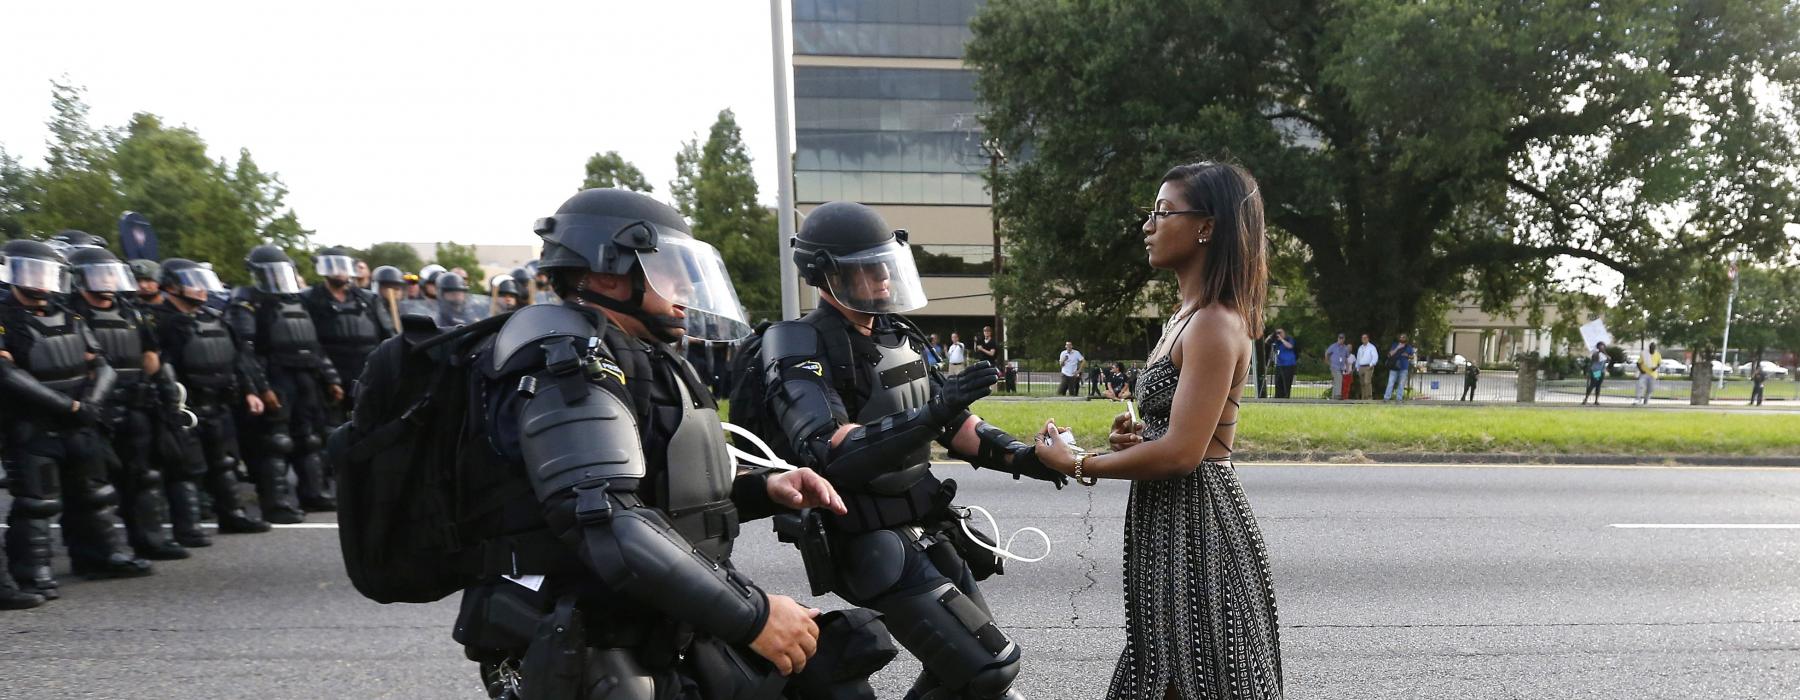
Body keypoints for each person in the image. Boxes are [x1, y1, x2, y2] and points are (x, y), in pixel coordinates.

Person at [457, 188, 891, 699]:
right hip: (587, 630)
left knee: (835, 677)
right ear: (605, 273)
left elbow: (665, 492)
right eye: (667, 266)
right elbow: (609, 521)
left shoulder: (642, 353)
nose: (686, 283)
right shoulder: (563, 361)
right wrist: (755, 615)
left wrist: (765, 488)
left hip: (657, 613)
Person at [763, 200, 1069, 700]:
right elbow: (829, 449)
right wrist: (931, 413)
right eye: (868, 265)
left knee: (968, 669)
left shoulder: (894, 333)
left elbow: (955, 422)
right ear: (827, 274)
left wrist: (1026, 458)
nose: (884, 275)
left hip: (921, 521)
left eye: (886, 261)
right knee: (985, 667)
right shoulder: (797, 342)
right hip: (862, 534)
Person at [1033, 161, 1281, 698]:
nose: (1147, 224)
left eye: (1163, 212)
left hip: (1199, 525)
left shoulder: (1215, 321)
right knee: (1169, 669)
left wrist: (1078, 464)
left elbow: (1183, 455)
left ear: (1207, 227)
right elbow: (1172, 437)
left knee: (1197, 674)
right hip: (1169, 520)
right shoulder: (1184, 316)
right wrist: (1140, 438)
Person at [2, 239, 156, 604]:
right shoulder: (5, 319)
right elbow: (6, 373)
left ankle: (101, 556)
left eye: (45, 272)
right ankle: (32, 573)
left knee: (94, 493)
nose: (39, 281)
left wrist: (90, 404)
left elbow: (101, 364)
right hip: (32, 425)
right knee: (38, 501)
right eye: (31, 272)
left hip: (80, 419)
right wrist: (67, 407)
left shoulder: (70, 315)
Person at [65, 245, 193, 560]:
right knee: (92, 486)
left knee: (142, 476)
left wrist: (166, 397)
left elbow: (150, 356)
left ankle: (149, 540)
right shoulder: (69, 313)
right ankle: (95, 554)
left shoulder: (131, 311)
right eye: (99, 274)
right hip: (93, 410)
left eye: (110, 273)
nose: (107, 281)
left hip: (135, 405)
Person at [148, 259, 273, 537]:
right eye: (192, 282)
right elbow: (156, 364)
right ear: (171, 286)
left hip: (219, 402)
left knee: (224, 462)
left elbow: (239, 358)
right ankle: (189, 528)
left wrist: (251, 390)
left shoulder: (214, 317)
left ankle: (233, 515)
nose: (201, 289)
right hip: (184, 407)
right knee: (185, 469)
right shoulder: (159, 321)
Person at [227, 245, 344, 518]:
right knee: (275, 441)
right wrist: (261, 387)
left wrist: (331, 378)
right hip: (275, 375)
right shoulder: (247, 302)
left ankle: (314, 493)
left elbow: (314, 345)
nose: (277, 277)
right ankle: (276, 503)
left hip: (305, 376)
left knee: (310, 438)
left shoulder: (298, 301)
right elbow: (245, 351)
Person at [301, 246, 392, 418]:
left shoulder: (369, 299)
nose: (339, 272)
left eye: (342, 266)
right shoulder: (309, 298)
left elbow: (388, 335)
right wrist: (329, 377)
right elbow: (308, 341)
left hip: (367, 372)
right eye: (333, 266)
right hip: (329, 374)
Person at [369, 265, 408, 336]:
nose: (394, 292)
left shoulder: (407, 309)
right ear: (378, 288)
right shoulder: (369, 310)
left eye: (397, 288)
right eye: (388, 287)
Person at [1384, 333, 1415, 402]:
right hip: (1393, 367)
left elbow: (1412, 357)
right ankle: (1386, 398)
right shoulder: (1395, 345)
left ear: (1406, 338)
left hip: (1404, 368)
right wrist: (1397, 348)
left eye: (1403, 337)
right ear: (1399, 338)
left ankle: (1399, 398)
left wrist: (1407, 355)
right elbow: (1390, 355)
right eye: (1401, 337)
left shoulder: (1408, 347)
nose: (1402, 338)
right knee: (1390, 382)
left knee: (1401, 384)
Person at [1271, 328, 1297, 399]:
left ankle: (1286, 398)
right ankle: (1278, 397)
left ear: (1284, 333)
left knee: (1286, 382)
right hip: (1279, 364)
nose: (1278, 334)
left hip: (1288, 365)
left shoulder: (1289, 339)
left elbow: (1290, 346)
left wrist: (1282, 339)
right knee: (1278, 382)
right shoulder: (1276, 342)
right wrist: (1271, 336)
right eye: (1277, 333)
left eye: (1280, 332)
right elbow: (1267, 342)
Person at [1324, 333, 1351, 400]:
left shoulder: (1345, 348)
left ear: (1344, 339)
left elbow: (1346, 359)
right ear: (1338, 338)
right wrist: (1328, 362)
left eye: (1342, 338)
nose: (1341, 340)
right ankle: (1338, 395)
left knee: (1337, 381)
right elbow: (1327, 353)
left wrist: (1347, 367)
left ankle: (1334, 396)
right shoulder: (1333, 346)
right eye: (1340, 338)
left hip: (1341, 367)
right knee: (1339, 378)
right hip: (1334, 366)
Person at [1581, 341, 1607, 406]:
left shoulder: (1604, 354)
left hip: (1602, 371)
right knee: (1593, 384)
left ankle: (1596, 400)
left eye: (1603, 346)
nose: (1602, 348)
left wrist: (1604, 353)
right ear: (1598, 347)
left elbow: (1609, 359)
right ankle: (1586, 399)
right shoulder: (1596, 354)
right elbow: (1596, 359)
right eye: (1601, 346)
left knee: (1598, 386)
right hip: (1596, 371)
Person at [1354, 333, 1378, 400]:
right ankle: (1363, 397)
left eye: (1365, 338)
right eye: (1362, 338)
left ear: (1368, 339)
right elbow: (1358, 358)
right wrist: (1357, 367)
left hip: (1368, 366)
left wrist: (1372, 364)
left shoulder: (1372, 347)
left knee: (1367, 382)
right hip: (1361, 367)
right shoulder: (1360, 348)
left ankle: (1369, 397)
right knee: (1362, 383)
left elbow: (1375, 357)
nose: (1363, 339)